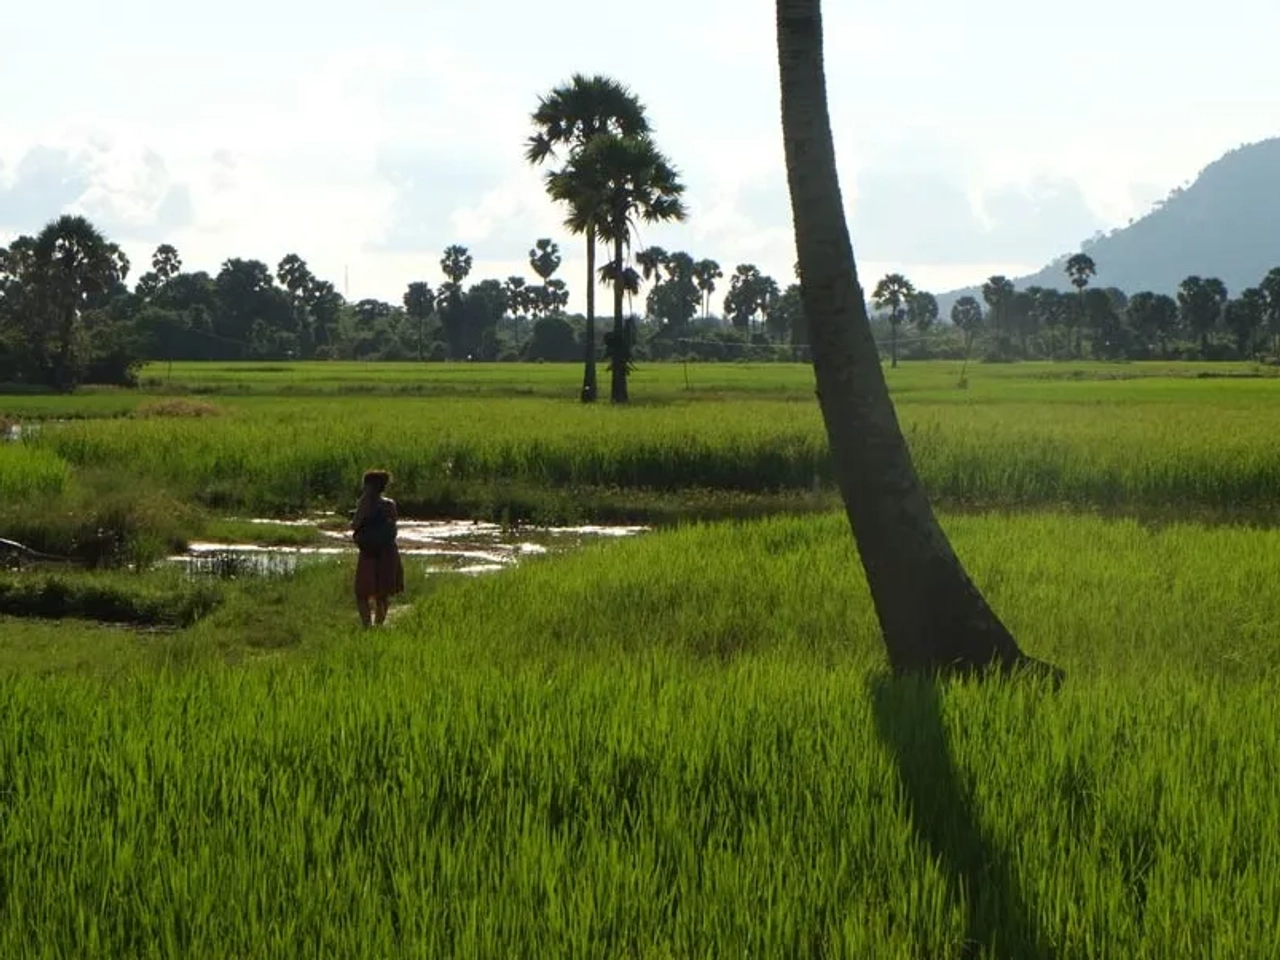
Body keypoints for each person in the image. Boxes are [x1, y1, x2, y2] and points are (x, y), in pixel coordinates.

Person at [351, 468, 404, 627]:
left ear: (369, 486)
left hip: (369, 552)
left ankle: (367, 627)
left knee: (362, 593)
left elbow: (355, 524)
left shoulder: (365, 503)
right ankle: (379, 626)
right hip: (388, 551)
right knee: (383, 594)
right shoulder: (390, 504)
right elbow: (392, 526)